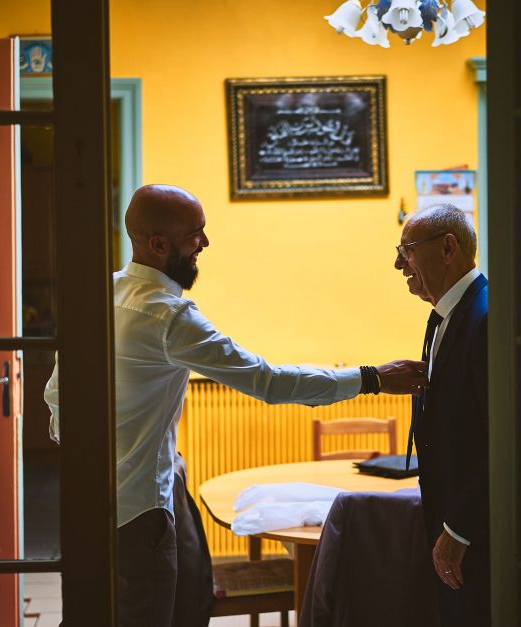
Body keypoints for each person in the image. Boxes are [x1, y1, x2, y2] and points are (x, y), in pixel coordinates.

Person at [44, 184, 427, 627]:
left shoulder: (99, 295)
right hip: (139, 518)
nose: (204, 243)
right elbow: (269, 381)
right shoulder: (170, 318)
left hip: (87, 505)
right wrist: (373, 378)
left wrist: (106, 460)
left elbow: (57, 398)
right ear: (158, 244)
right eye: (195, 234)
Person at [395, 203, 490, 626]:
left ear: (448, 248)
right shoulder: (445, 315)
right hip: (447, 511)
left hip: (480, 528)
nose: (399, 264)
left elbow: (500, 440)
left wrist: (458, 529)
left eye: (407, 250)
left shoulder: (485, 317)